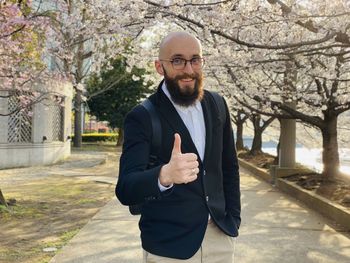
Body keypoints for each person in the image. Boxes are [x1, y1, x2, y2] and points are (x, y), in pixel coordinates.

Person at [116, 31, 241, 263]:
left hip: (220, 240)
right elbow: (125, 188)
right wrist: (164, 175)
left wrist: (233, 219)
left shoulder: (218, 105)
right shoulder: (142, 116)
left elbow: (229, 168)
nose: (189, 69)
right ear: (159, 67)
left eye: (195, 59)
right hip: (168, 248)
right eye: (177, 60)